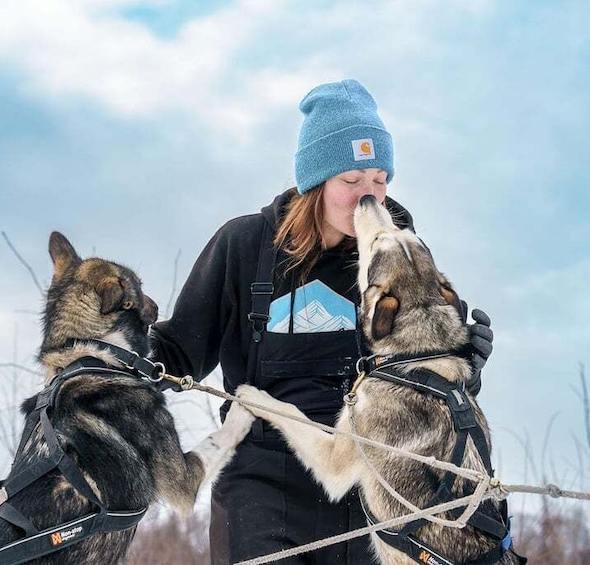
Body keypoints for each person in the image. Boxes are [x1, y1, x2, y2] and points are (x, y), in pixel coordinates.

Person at [149, 79, 494, 564]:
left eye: (379, 179)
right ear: (316, 182)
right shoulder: (245, 245)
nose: (368, 197)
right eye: (351, 182)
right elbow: (176, 351)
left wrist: (464, 359)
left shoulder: (395, 259)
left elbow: (423, 380)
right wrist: (117, 355)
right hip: (260, 482)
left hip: (366, 489)